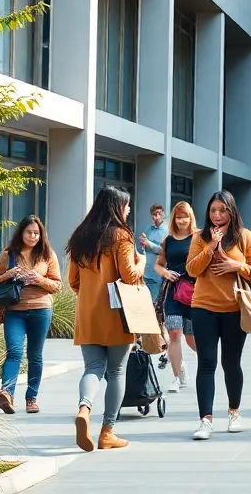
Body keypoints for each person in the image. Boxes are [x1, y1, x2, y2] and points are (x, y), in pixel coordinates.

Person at [66, 186, 145, 452]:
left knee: (93, 369)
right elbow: (130, 275)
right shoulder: (122, 236)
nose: (129, 209)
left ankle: (84, 409)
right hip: (118, 313)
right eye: (127, 205)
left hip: (87, 312)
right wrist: (142, 262)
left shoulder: (80, 237)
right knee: (115, 371)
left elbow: (73, 281)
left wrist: (91, 294)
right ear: (116, 207)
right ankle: (107, 432)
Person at [186, 190, 251, 440]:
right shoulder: (200, 237)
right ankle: (205, 420)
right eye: (213, 210)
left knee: (231, 363)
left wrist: (236, 265)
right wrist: (210, 246)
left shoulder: (244, 236)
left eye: (222, 210)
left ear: (231, 211)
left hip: (234, 308)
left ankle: (234, 412)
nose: (217, 215)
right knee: (206, 364)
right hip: (204, 308)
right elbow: (192, 269)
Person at [0, 215, 62, 415]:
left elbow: (57, 285)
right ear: (21, 233)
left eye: (37, 233)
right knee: (14, 352)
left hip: (41, 310)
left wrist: (39, 279)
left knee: (35, 356)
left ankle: (32, 398)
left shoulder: (48, 255)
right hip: (14, 311)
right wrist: (9, 274)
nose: (33, 236)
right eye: (29, 232)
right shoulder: (8, 254)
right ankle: (6, 393)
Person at [155, 201, 198, 393]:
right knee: (174, 334)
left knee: (193, 339)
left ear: (191, 217)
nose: (182, 221)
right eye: (179, 217)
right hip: (173, 292)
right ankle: (175, 376)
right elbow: (158, 264)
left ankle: (198, 366)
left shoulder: (199, 237)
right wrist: (165, 273)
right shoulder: (168, 240)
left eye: (185, 216)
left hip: (195, 292)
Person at [139, 203, 168, 305]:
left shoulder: (167, 231)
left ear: (163, 214)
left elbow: (164, 251)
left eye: (159, 213)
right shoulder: (150, 229)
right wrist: (143, 242)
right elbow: (145, 247)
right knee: (145, 303)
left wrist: (149, 243)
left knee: (154, 304)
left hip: (157, 275)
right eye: (154, 214)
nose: (157, 216)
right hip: (146, 272)